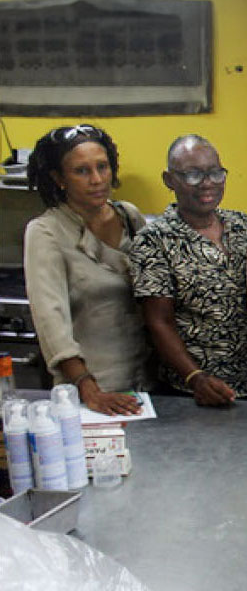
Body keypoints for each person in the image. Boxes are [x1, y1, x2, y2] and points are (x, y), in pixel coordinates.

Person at [24, 124, 150, 415]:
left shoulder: (129, 217)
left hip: (144, 385)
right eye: (81, 171)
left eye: (102, 167)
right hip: (91, 394)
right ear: (59, 179)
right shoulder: (47, 232)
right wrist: (88, 388)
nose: (96, 179)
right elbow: (50, 321)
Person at [130, 135, 247, 406]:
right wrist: (195, 377)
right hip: (191, 391)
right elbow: (158, 322)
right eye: (192, 175)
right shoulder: (154, 239)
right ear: (169, 180)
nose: (207, 183)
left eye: (215, 173)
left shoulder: (244, 226)